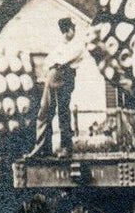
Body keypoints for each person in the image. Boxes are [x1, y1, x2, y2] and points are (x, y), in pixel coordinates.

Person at [27, 17, 89, 158]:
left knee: (63, 113)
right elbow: (49, 61)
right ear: (67, 31)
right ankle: (42, 147)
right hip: (52, 77)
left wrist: (55, 62)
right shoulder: (60, 46)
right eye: (71, 29)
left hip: (64, 77)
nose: (73, 32)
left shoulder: (76, 45)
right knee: (44, 111)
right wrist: (53, 63)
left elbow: (63, 60)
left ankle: (66, 147)